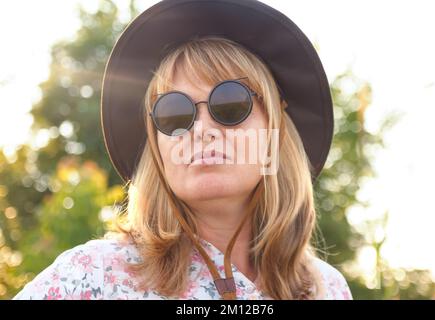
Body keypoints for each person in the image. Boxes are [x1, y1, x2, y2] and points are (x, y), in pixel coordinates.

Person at [14, 0, 352, 300]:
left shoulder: (326, 289)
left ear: (276, 131)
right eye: (173, 112)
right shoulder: (91, 278)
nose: (201, 130)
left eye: (231, 103)